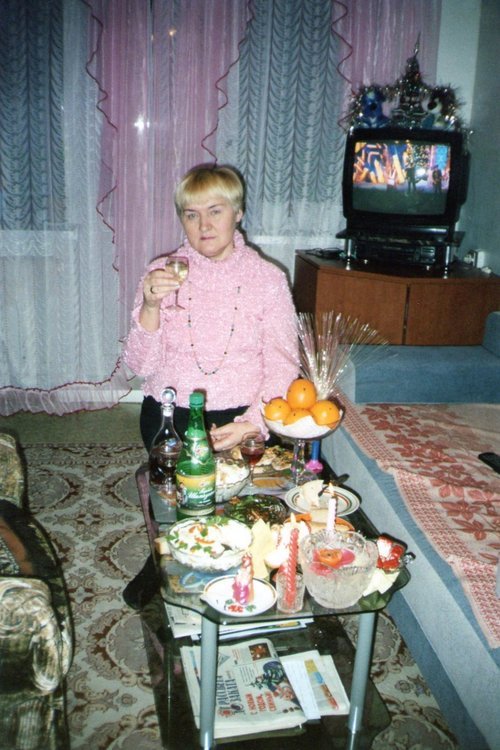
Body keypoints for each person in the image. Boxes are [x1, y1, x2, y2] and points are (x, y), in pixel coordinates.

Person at [121, 164, 299, 608]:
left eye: (215, 211)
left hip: (241, 414)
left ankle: (234, 566)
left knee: (236, 508)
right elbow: (139, 365)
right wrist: (149, 305)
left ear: (238, 213)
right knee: (180, 499)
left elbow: (283, 364)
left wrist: (252, 423)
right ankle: (166, 557)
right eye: (191, 214)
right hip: (171, 414)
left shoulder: (268, 279)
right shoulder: (161, 272)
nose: (203, 225)